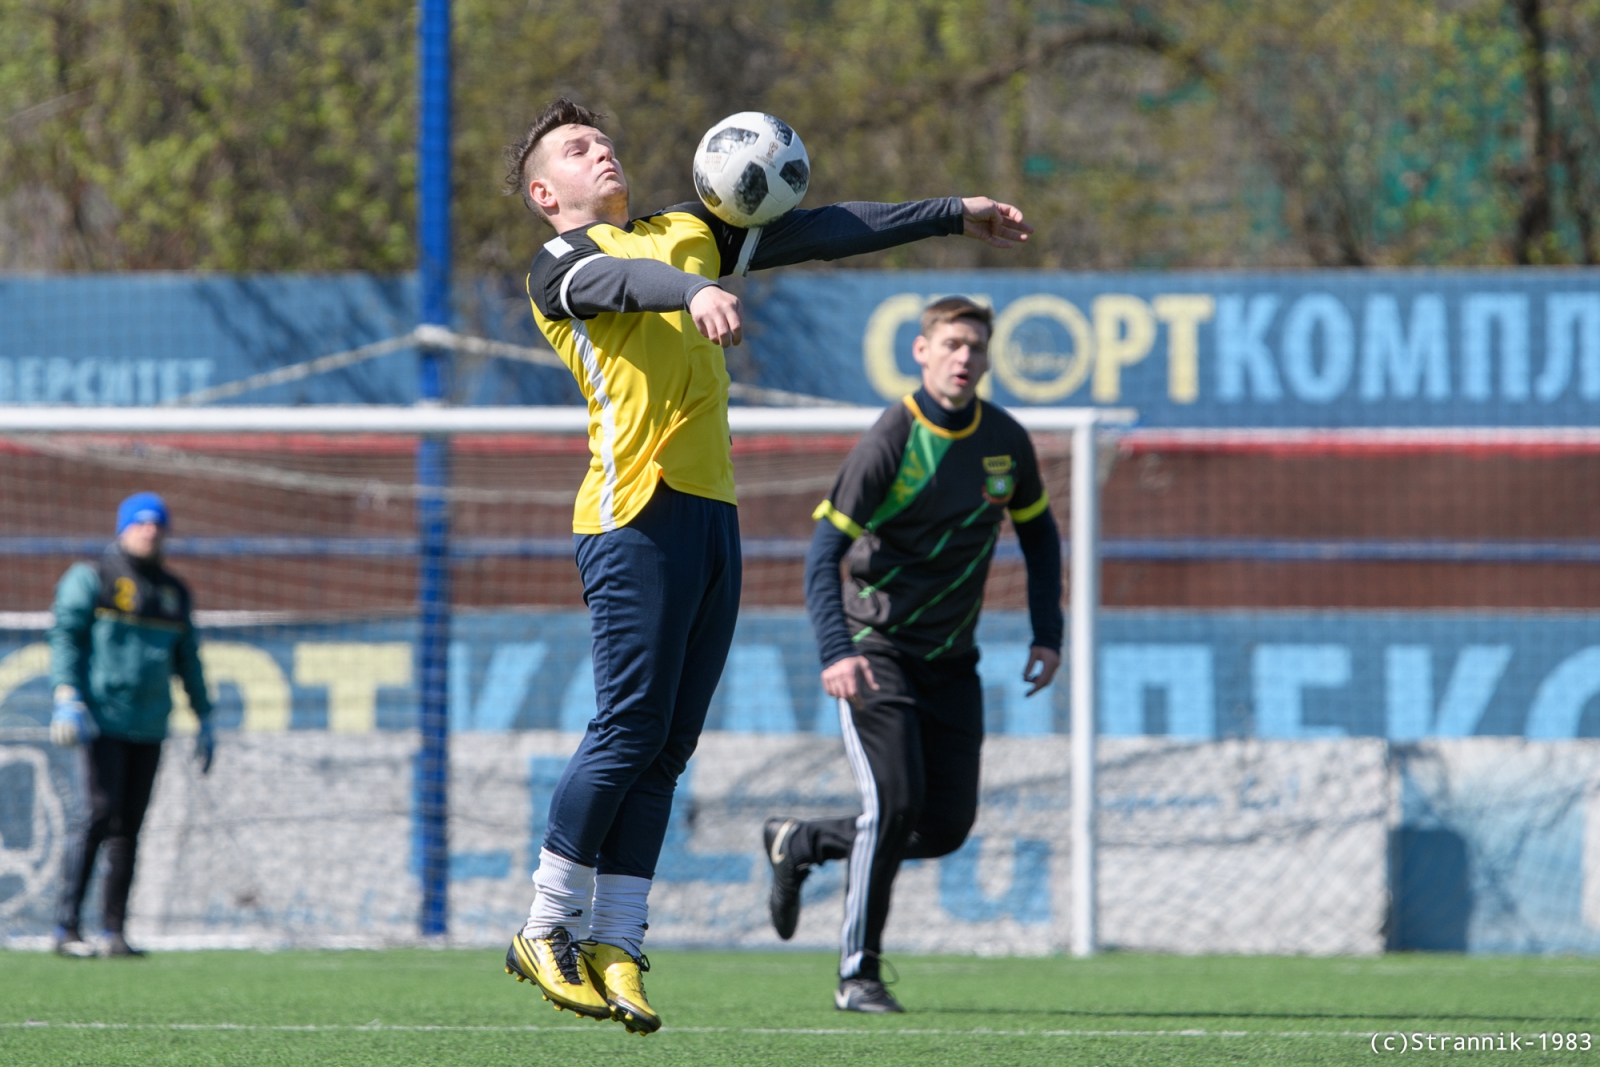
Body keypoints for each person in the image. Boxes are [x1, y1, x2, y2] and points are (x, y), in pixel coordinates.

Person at [499, 98, 1032, 1034]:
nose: (603, 149)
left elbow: (822, 229)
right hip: (633, 513)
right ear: (547, 192)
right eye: (579, 149)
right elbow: (620, 286)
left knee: (667, 746)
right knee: (627, 724)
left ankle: (616, 937)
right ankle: (546, 924)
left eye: (605, 137)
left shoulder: (683, 232)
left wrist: (952, 211)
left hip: (711, 516)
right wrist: (692, 293)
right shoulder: (559, 265)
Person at [763, 296, 1063, 1013]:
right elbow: (823, 555)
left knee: (942, 827)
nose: (966, 357)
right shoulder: (891, 440)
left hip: (953, 662)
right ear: (921, 352)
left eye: (977, 347)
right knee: (893, 802)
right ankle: (856, 974)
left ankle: (800, 841)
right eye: (953, 343)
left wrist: (1046, 631)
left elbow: (1042, 534)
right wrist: (837, 650)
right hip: (877, 652)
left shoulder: (1004, 440)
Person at [49, 492, 214, 958]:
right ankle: (66, 929)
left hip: (150, 724)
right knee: (98, 815)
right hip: (102, 718)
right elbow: (65, 636)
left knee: (130, 827)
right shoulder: (93, 577)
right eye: (141, 524)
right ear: (123, 528)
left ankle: (113, 931)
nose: (150, 531)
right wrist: (66, 695)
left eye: (157, 524)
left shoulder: (174, 592)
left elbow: (189, 658)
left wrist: (205, 716)